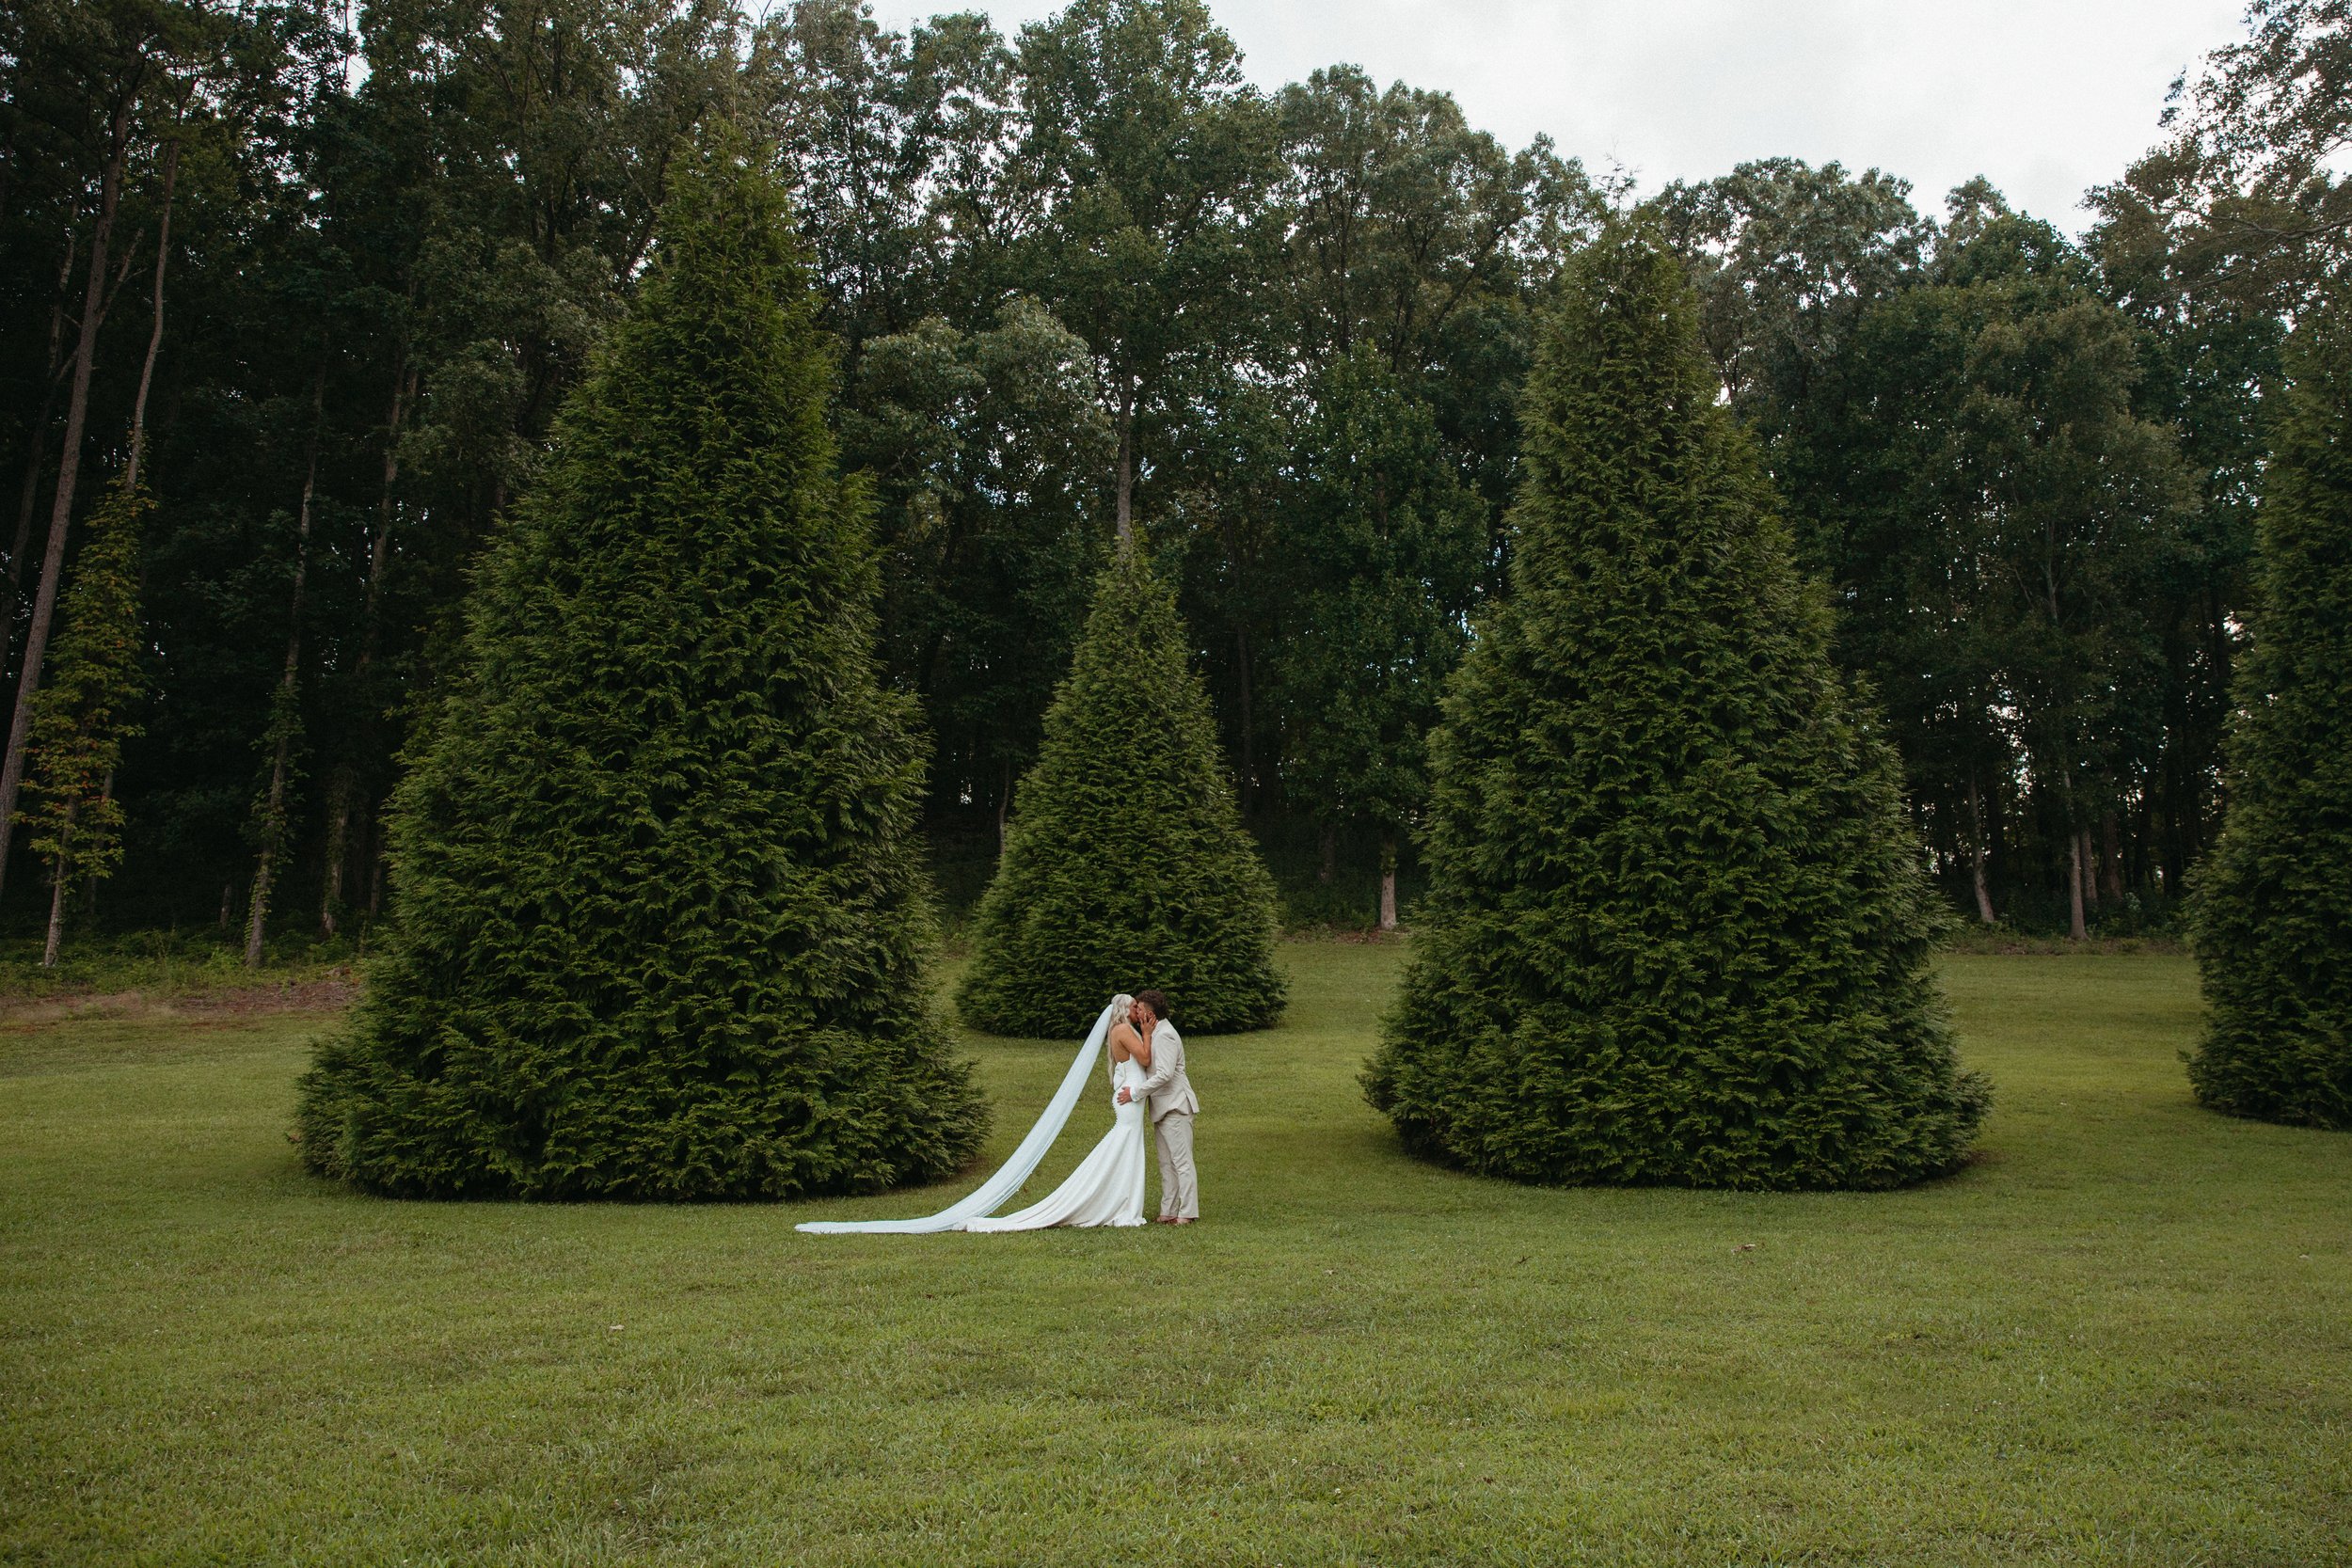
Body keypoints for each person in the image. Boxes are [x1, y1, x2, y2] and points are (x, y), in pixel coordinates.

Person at [960, 993, 1149, 1230]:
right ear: (1123, 1009)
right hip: (1129, 1098)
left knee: (1127, 1145)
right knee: (1124, 1143)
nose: (1138, 1010)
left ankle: (1122, 1199)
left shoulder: (1125, 1029)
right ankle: (1112, 1199)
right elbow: (1144, 1056)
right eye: (1134, 1007)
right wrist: (1149, 1033)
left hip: (1133, 1096)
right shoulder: (1122, 1030)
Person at [1119, 990, 1199, 1224]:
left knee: (1181, 1162)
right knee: (1166, 1162)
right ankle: (1168, 1211)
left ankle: (1187, 1212)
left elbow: (1164, 1074)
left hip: (1175, 1105)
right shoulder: (1155, 1032)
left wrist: (1135, 1093)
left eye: (1140, 1009)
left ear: (1150, 1014)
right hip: (1162, 1107)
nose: (1137, 1012)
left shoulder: (1165, 1035)